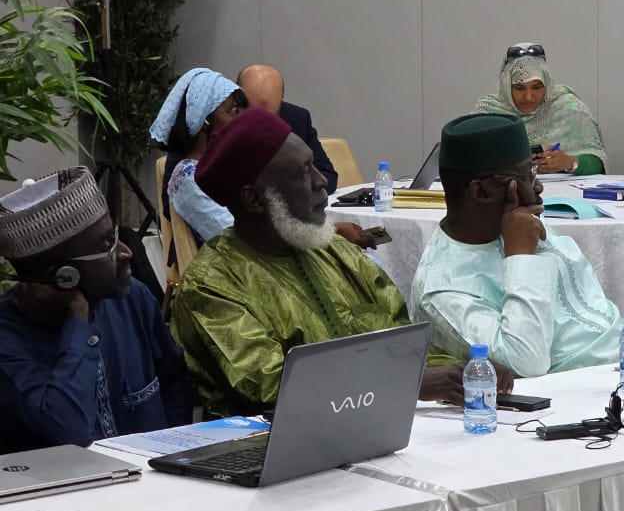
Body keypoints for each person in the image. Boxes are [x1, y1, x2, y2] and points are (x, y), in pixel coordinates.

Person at [169, 109, 509, 418]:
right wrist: (410, 382)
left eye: (314, 165)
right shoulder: (211, 286)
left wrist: (469, 368)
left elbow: (403, 342)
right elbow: (272, 387)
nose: (321, 181)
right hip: (272, 450)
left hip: (381, 426)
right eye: (302, 173)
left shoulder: (335, 251)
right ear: (254, 199)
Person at [410, 113, 623, 377]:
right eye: (526, 175)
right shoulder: (442, 290)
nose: (538, 186)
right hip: (578, 388)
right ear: (481, 191)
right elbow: (525, 363)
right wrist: (520, 256)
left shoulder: (513, 220)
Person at [0, 167, 190, 453]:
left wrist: (175, 458)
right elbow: (70, 429)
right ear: (65, 276)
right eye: (107, 245)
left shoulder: (134, 299)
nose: (125, 252)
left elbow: (175, 386)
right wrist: (79, 323)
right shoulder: (6, 340)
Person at [471, 43, 608, 175]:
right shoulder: (487, 114)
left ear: (546, 84)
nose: (528, 97)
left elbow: (598, 162)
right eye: (519, 88)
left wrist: (568, 162)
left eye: (537, 87)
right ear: (506, 86)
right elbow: (466, 160)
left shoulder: (568, 107)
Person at [150, 67, 245, 243]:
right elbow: (236, 240)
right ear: (204, 120)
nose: (241, 119)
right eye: (233, 111)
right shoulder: (188, 178)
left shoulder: (220, 166)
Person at [237, 64, 339, 194]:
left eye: (269, 115)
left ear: (281, 98)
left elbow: (328, 177)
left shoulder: (297, 119)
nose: (262, 123)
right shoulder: (224, 124)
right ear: (238, 102)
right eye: (254, 114)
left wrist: (288, 191)